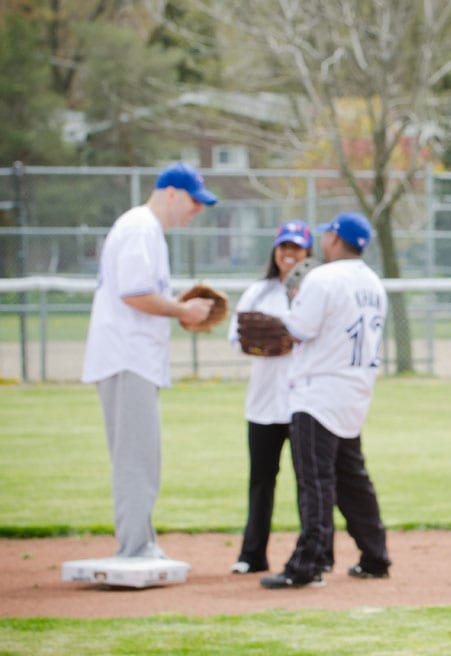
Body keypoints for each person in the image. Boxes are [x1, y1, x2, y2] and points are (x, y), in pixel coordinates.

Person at [81, 161, 218, 559]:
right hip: (128, 358)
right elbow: (136, 294)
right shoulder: (142, 227)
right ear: (171, 193)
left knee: (139, 456)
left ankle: (140, 542)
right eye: (194, 201)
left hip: (131, 358)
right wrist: (184, 311)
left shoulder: (145, 228)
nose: (198, 210)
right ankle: (136, 547)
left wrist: (179, 310)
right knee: (136, 459)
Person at [260, 211, 391, 589]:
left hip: (317, 392)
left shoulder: (323, 277)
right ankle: (375, 555)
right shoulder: (373, 282)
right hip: (354, 390)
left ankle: (310, 563)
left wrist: (290, 307)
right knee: (352, 478)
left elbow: (299, 330)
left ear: (335, 239)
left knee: (315, 481)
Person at [227, 220, 314, 574]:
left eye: (296, 248)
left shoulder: (317, 290)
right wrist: (263, 343)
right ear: (274, 251)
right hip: (263, 405)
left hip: (303, 404)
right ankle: (252, 555)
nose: (289, 254)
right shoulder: (258, 292)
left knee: (308, 485)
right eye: (284, 247)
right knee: (261, 482)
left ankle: (308, 555)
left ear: (308, 253)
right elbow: (236, 340)